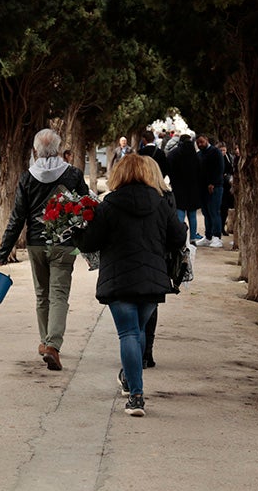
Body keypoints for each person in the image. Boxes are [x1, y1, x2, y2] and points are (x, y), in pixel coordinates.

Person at [76, 154, 185, 417]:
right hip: (152, 281)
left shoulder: (109, 205)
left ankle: (136, 396)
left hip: (119, 280)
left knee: (128, 334)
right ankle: (129, 377)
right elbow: (178, 238)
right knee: (137, 331)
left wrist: (79, 228)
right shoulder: (160, 204)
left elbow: (90, 243)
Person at [0, 128, 89, 371]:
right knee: (59, 295)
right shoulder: (73, 174)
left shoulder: (27, 178)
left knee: (42, 294)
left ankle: (46, 340)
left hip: (36, 243)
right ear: (58, 149)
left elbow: (18, 217)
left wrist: (4, 251)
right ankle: (53, 345)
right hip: (64, 243)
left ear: (36, 151)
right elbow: (86, 206)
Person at [140, 156, 179, 369]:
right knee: (150, 306)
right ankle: (147, 352)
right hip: (159, 258)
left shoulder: (127, 194)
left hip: (135, 257)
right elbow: (176, 231)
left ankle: (139, 350)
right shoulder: (167, 196)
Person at [166, 132, 204, 243]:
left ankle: (179, 236)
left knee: (180, 213)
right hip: (193, 189)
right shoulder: (195, 155)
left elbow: (169, 169)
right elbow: (200, 172)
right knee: (192, 215)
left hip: (178, 188)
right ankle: (193, 237)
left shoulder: (174, 154)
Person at [196, 133, 225, 248]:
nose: (200, 144)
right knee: (206, 213)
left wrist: (213, 182)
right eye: (198, 143)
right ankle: (208, 236)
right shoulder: (199, 154)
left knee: (214, 211)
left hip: (215, 187)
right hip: (203, 188)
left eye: (201, 142)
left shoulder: (215, 152)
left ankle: (216, 236)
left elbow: (219, 169)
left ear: (206, 140)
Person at [217, 142, 235, 233]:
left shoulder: (229, 157)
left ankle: (223, 227)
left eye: (224, 150)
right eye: (221, 150)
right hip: (221, 185)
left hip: (228, 186)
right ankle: (220, 228)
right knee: (221, 208)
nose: (223, 152)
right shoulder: (217, 158)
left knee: (226, 208)